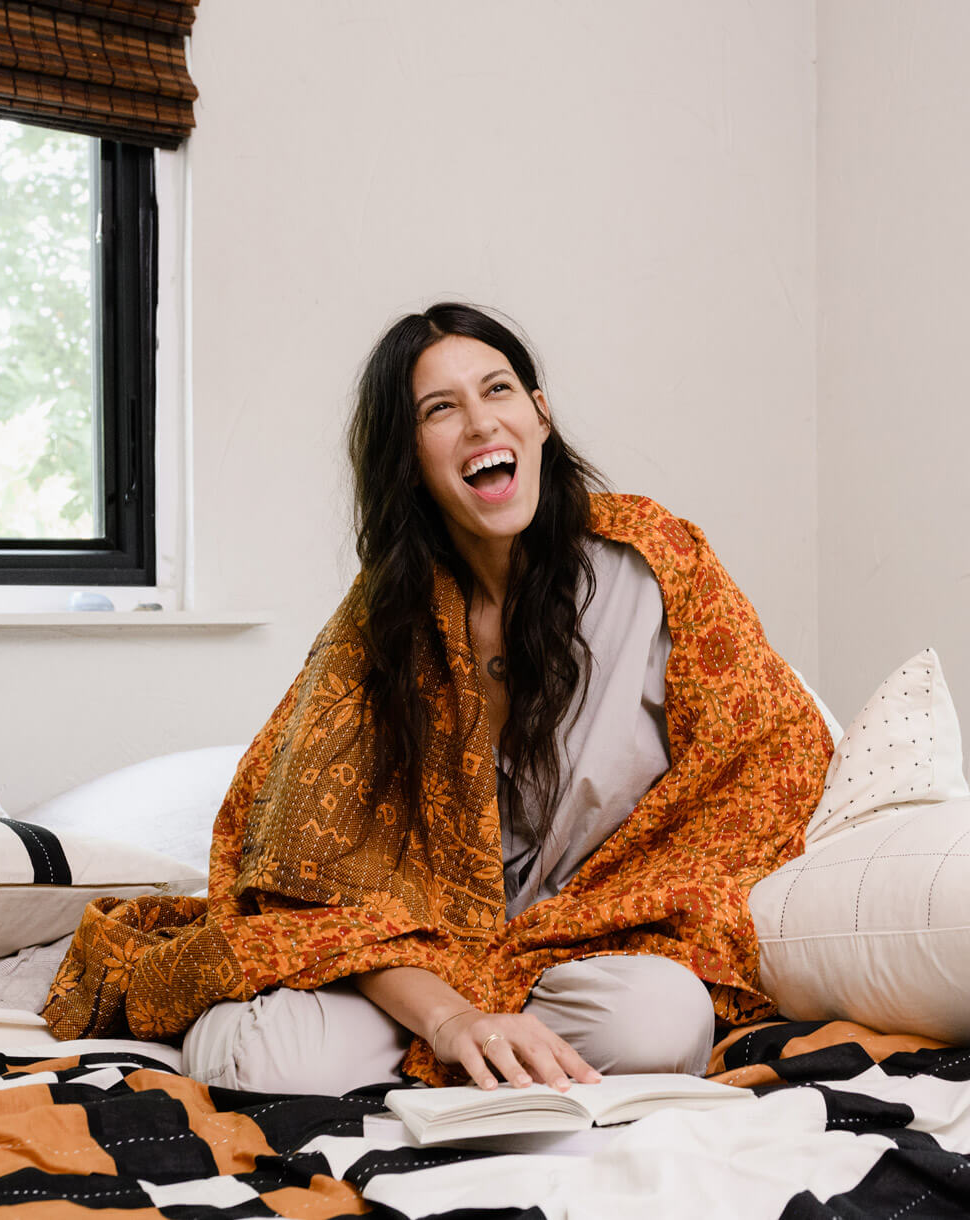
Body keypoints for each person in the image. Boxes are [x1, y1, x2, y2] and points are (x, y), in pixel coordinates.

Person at [43, 303, 834, 1096]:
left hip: (595, 948)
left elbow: (766, 761)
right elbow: (307, 877)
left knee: (659, 1024)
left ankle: (484, 1053)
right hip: (407, 960)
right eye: (440, 409)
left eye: (498, 390)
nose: (480, 423)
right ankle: (466, 1046)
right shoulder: (377, 624)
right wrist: (450, 1017)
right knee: (260, 1058)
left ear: (541, 415)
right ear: (410, 456)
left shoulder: (655, 565)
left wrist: (622, 907)